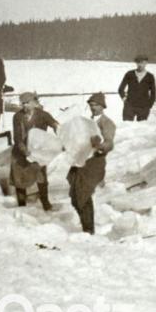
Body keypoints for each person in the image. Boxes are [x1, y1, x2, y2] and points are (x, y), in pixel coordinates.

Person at [67, 93, 115, 234]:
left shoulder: (107, 123)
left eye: (96, 105)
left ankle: (88, 230)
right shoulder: (87, 122)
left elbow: (109, 143)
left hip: (95, 163)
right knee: (75, 197)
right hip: (81, 160)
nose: (93, 108)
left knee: (84, 194)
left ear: (102, 106)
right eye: (91, 105)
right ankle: (86, 226)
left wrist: (100, 146)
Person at [10, 92, 59, 210]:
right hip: (21, 150)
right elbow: (17, 136)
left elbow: (54, 124)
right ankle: (21, 205)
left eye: (27, 103)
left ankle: (45, 203)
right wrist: (23, 149)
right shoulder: (17, 116)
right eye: (23, 103)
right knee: (19, 177)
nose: (25, 106)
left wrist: (58, 129)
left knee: (41, 176)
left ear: (34, 103)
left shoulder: (43, 115)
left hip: (38, 151)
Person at [118, 55, 156, 121]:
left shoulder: (150, 77)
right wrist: (124, 99)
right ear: (136, 63)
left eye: (143, 63)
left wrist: (149, 105)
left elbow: (153, 93)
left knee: (141, 128)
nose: (140, 65)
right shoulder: (129, 74)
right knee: (127, 126)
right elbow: (121, 89)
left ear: (146, 63)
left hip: (143, 107)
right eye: (138, 62)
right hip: (129, 106)